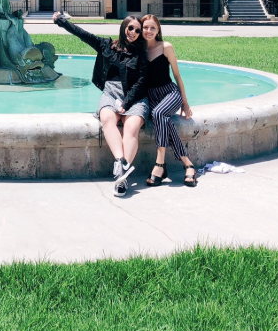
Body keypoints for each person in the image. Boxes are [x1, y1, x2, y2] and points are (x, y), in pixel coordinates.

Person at [53, 11, 148, 197]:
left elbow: (141, 82)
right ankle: (122, 164)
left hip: (135, 96)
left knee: (131, 127)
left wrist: (127, 103)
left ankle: (120, 176)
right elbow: (83, 35)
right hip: (111, 92)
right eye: (130, 28)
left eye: (137, 30)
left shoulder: (141, 54)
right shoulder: (106, 45)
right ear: (124, 27)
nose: (133, 32)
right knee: (107, 119)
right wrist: (61, 22)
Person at [140, 14, 198, 187]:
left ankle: (159, 164)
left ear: (158, 30)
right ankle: (188, 164)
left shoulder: (166, 47)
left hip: (170, 93)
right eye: (145, 27)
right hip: (151, 96)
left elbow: (177, 75)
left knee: (158, 113)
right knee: (163, 119)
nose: (148, 31)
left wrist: (185, 103)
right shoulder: (139, 49)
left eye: (152, 28)